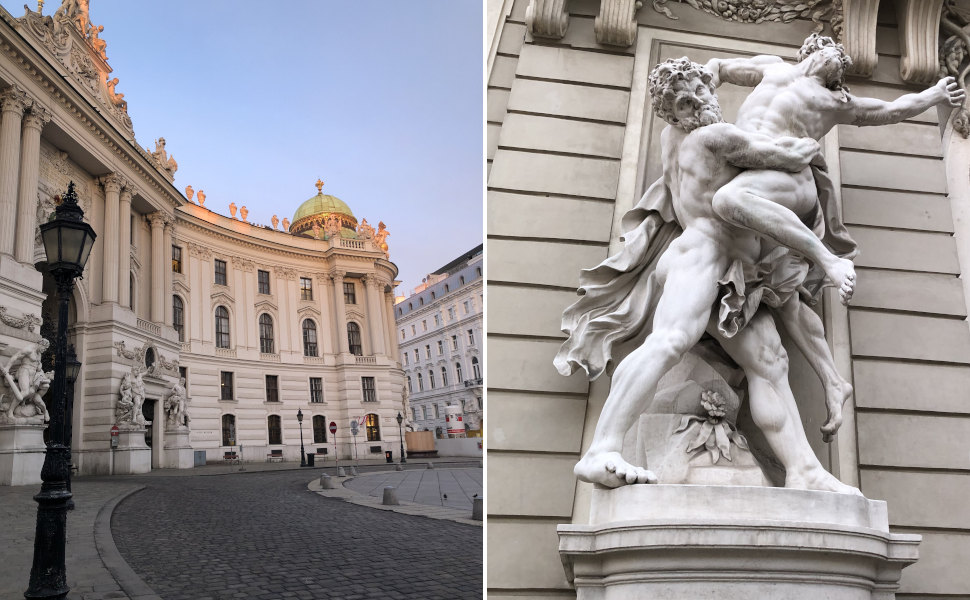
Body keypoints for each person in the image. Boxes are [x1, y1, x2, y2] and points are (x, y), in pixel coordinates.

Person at [557, 57, 857, 493]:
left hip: (730, 272)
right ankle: (602, 447)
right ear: (672, 111)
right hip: (702, 254)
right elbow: (786, 154)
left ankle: (805, 471)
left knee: (771, 363)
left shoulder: (673, 139)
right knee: (669, 342)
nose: (698, 99)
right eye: (685, 99)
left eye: (701, 88)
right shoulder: (715, 137)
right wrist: (814, 124)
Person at [702, 33, 965, 436]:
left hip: (790, 181)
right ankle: (833, 380)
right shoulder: (772, 65)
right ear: (808, 51)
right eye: (831, 51)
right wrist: (700, 97)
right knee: (781, 294)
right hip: (755, 178)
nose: (837, 60)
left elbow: (891, 108)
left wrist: (933, 93)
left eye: (841, 61)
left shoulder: (834, 101)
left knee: (727, 200)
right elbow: (717, 68)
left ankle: (830, 260)